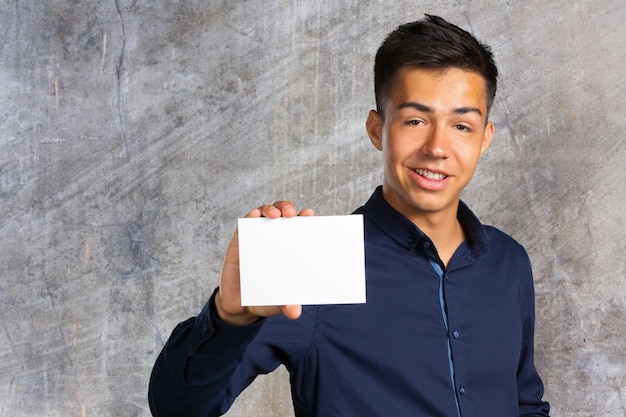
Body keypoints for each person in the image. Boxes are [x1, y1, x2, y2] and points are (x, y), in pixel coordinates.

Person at [148, 15, 551, 417]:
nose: (437, 147)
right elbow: (179, 409)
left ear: (485, 138)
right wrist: (228, 317)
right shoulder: (313, 262)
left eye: (461, 125)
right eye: (415, 120)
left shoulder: (508, 262)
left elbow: (525, 404)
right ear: (377, 129)